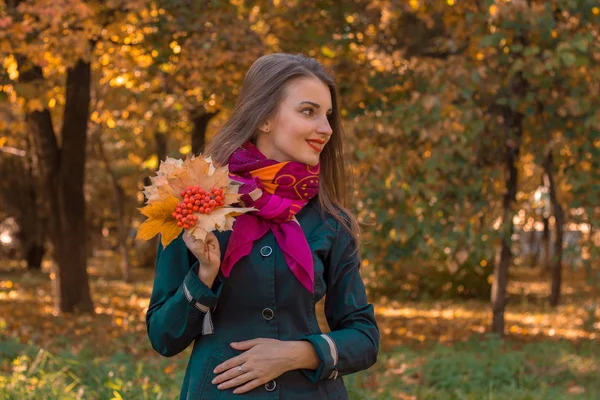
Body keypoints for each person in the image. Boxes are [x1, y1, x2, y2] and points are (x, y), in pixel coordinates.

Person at [146, 53, 379, 399]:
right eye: (308, 111)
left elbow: (364, 336)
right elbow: (164, 337)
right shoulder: (194, 201)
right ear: (265, 118)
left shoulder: (330, 220)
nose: (326, 129)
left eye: (328, 116)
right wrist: (205, 275)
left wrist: (296, 353)